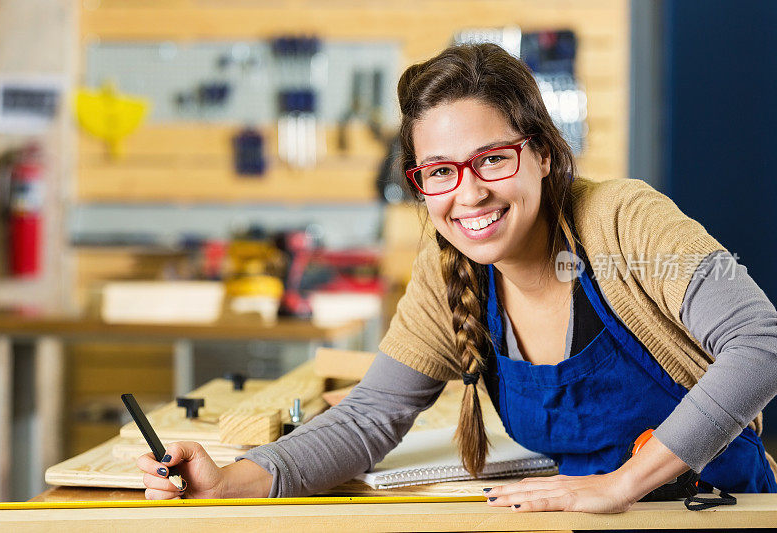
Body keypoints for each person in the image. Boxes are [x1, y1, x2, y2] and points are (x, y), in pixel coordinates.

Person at [136, 43, 777, 513]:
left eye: (492, 159)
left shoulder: (622, 220)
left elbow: (762, 343)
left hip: (713, 509)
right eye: (439, 171)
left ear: (543, 153)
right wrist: (231, 479)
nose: (467, 194)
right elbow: (373, 414)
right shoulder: (448, 266)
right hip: (573, 518)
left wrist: (620, 484)